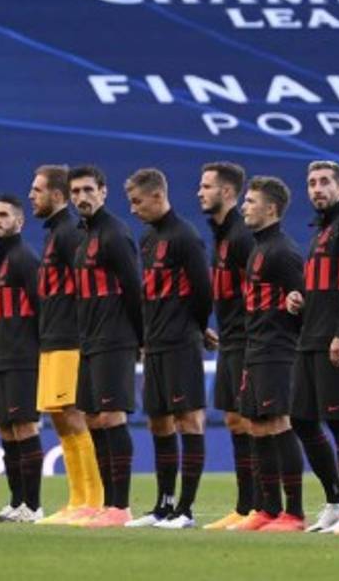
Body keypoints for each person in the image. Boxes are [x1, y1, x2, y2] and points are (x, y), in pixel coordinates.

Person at [125, 169, 212, 529]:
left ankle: (186, 510)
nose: (132, 209)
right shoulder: (147, 239)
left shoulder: (186, 237)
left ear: (158, 197)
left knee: (188, 420)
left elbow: (203, 292)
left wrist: (189, 327)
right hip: (155, 346)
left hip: (180, 343)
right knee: (158, 423)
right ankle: (163, 505)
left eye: (137, 201)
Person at [287, 161, 339, 534]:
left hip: (335, 341)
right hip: (309, 339)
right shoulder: (321, 231)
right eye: (311, 182)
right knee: (301, 420)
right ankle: (335, 499)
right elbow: (325, 284)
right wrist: (301, 299)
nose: (316, 189)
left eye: (323, 183)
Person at [27, 165, 103, 525]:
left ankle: (93, 500)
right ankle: (77, 499)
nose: (32, 196)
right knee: (60, 419)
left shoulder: (71, 232)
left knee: (74, 415)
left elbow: (84, 286)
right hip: (52, 338)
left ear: (56, 196)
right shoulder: (54, 233)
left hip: (70, 338)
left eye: (37, 190)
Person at [232, 176, 308, 533]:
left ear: (271, 209)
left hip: (278, 351)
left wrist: (298, 307)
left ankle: (294, 513)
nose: (244, 206)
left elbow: (304, 304)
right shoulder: (258, 248)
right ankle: (269, 509)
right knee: (256, 425)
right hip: (256, 348)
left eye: (251, 201)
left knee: (278, 423)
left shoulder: (284, 252)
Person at [68, 165, 142, 529]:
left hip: (115, 339)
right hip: (90, 341)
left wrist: (139, 339)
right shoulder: (83, 239)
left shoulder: (115, 234)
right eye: (76, 191)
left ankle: (121, 506)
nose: (81, 197)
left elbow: (134, 289)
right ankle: (106, 503)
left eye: (87, 190)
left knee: (112, 417)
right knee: (93, 418)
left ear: (103, 192)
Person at [197, 161, 258, 530]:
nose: (200, 192)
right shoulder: (221, 235)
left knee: (256, 422)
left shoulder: (242, 237)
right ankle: (245, 506)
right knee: (236, 420)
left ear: (228, 193)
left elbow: (258, 291)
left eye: (207, 186)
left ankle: (267, 506)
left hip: (251, 341)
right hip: (230, 339)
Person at [0, 194, 45, 523]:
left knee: (24, 426)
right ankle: (16, 501)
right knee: (6, 429)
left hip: (25, 359)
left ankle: (33, 507)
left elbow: (41, 309)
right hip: (4, 359)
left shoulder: (24, 259)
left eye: (4, 215)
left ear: (19, 222)